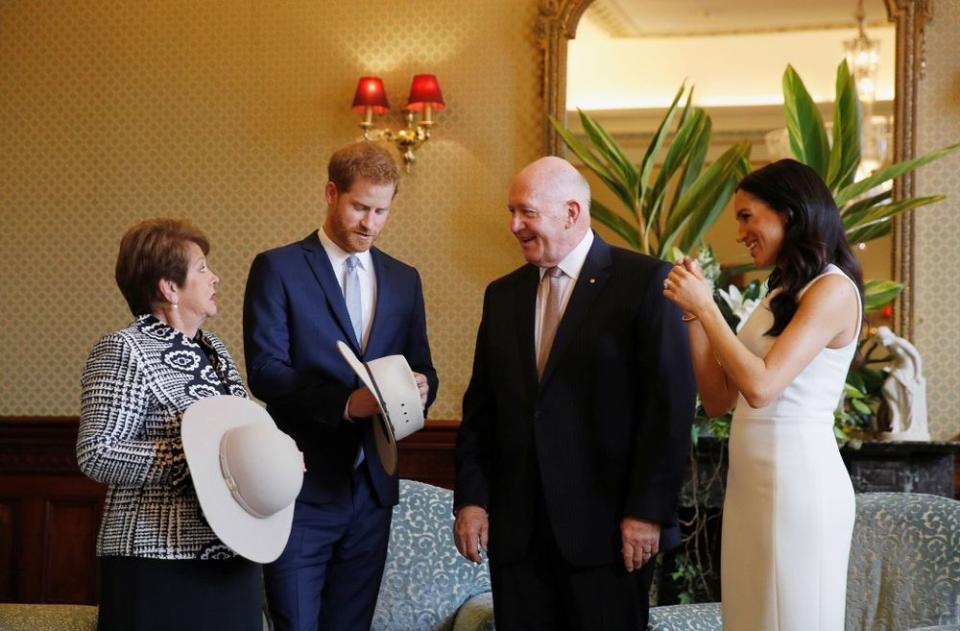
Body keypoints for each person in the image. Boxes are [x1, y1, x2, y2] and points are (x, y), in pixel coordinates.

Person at [454, 156, 696, 631]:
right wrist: (472, 500)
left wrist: (647, 512)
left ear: (570, 212)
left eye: (526, 212)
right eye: (511, 212)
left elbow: (667, 409)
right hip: (519, 536)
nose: (514, 225)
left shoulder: (645, 282)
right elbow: (482, 408)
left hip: (609, 535)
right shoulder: (502, 295)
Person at [243, 141, 438, 631]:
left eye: (381, 211)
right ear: (332, 193)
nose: (369, 223)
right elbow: (266, 370)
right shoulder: (279, 267)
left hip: (372, 491)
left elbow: (425, 367)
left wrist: (420, 387)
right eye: (359, 207)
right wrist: (347, 404)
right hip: (301, 487)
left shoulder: (404, 279)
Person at [663, 158, 862, 631]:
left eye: (746, 216)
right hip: (752, 487)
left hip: (799, 486)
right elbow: (717, 399)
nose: (739, 233)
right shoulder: (778, 295)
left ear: (789, 213)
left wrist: (707, 306)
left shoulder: (832, 289)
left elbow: (761, 386)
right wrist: (692, 315)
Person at [77, 218, 260, 631]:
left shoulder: (215, 349)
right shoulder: (123, 348)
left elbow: (239, 437)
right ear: (169, 288)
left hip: (234, 553)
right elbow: (97, 453)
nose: (215, 278)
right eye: (201, 269)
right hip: (156, 558)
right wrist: (197, 458)